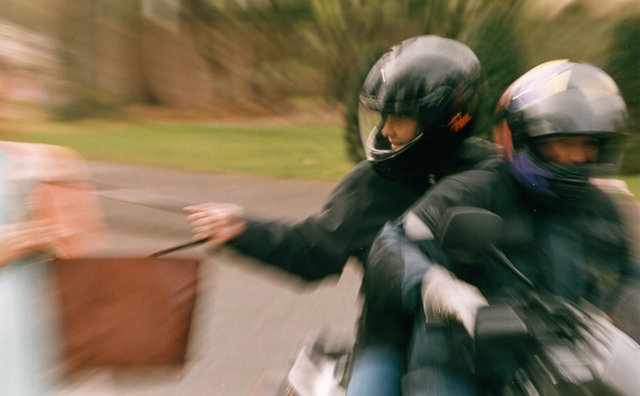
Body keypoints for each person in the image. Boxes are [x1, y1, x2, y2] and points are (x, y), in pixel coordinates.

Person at [185, 35, 499, 395]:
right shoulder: (370, 186)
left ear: (445, 120)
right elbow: (311, 251)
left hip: (486, 341)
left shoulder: (493, 175)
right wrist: (241, 230)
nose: (386, 130)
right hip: (390, 341)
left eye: (400, 118)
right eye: (382, 116)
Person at [365, 59, 640, 394]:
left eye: (588, 145)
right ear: (525, 138)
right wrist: (439, 288)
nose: (576, 157)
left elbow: (626, 276)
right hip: (462, 364)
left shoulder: (598, 206)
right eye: (562, 143)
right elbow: (391, 246)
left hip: (555, 366)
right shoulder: (475, 190)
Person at [0, 51, 106, 394]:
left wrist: (56, 234)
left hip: (28, 355)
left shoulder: (26, 163)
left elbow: (82, 250)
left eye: (0, 102)